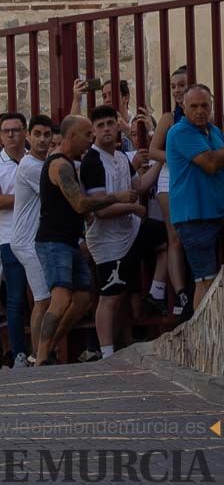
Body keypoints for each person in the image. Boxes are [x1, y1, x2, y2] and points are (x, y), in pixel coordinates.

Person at [34, 116, 136, 366]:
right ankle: (40, 358)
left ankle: (46, 349)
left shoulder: (69, 163)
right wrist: (116, 197)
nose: (91, 140)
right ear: (72, 137)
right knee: (60, 298)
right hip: (53, 241)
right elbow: (79, 203)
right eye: (87, 135)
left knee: (81, 299)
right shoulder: (60, 165)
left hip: (69, 240)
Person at [81, 105, 162, 359]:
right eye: (100, 125)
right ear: (93, 130)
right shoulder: (92, 162)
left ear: (118, 126)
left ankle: (156, 293)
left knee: (168, 238)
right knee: (110, 297)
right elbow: (101, 209)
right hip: (107, 240)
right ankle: (107, 354)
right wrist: (132, 207)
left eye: (110, 123)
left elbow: (138, 185)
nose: (106, 129)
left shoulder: (121, 157)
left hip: (131, 229)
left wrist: (160, 161)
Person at [166, 85, 224, 311]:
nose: (200, 111)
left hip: (216, 212)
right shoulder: (180, 132)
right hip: (195, 217)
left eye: (204, 106)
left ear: (211, 106)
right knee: (205, 281)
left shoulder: (214, 131)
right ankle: (200, 340)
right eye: (194, 106)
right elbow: (210, 164)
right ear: (183, 107)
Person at [0, 113, 31, 368]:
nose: (11, 135)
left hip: (38, 236)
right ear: (0, 135)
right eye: (6, 130)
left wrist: (13, 198)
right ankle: (19, 353)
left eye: (16, 130)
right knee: (16, 298)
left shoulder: (36, 159)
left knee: (43, 296)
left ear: (25, 132)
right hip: (10, 238)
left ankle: (43, 351)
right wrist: (30, 197)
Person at [149, 66, 193, 318]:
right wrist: (177, 158)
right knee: (174, 236)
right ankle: (180, 292)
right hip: (169, 179)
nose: (177, 90)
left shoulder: (201, 115)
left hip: (193, 181)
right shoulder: (168, 118)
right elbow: (153, 150)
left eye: (182, 84)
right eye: (173, 85)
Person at [11, 114, 55, 363]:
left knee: (49, 298)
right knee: (42, 300)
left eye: (47, 135)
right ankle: (37, 356)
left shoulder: (45, 163)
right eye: (37, 134)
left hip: (37, 240)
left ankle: (42, 352)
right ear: (28, 136)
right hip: (27, 242)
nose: (42, 139)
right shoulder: (30, 166)